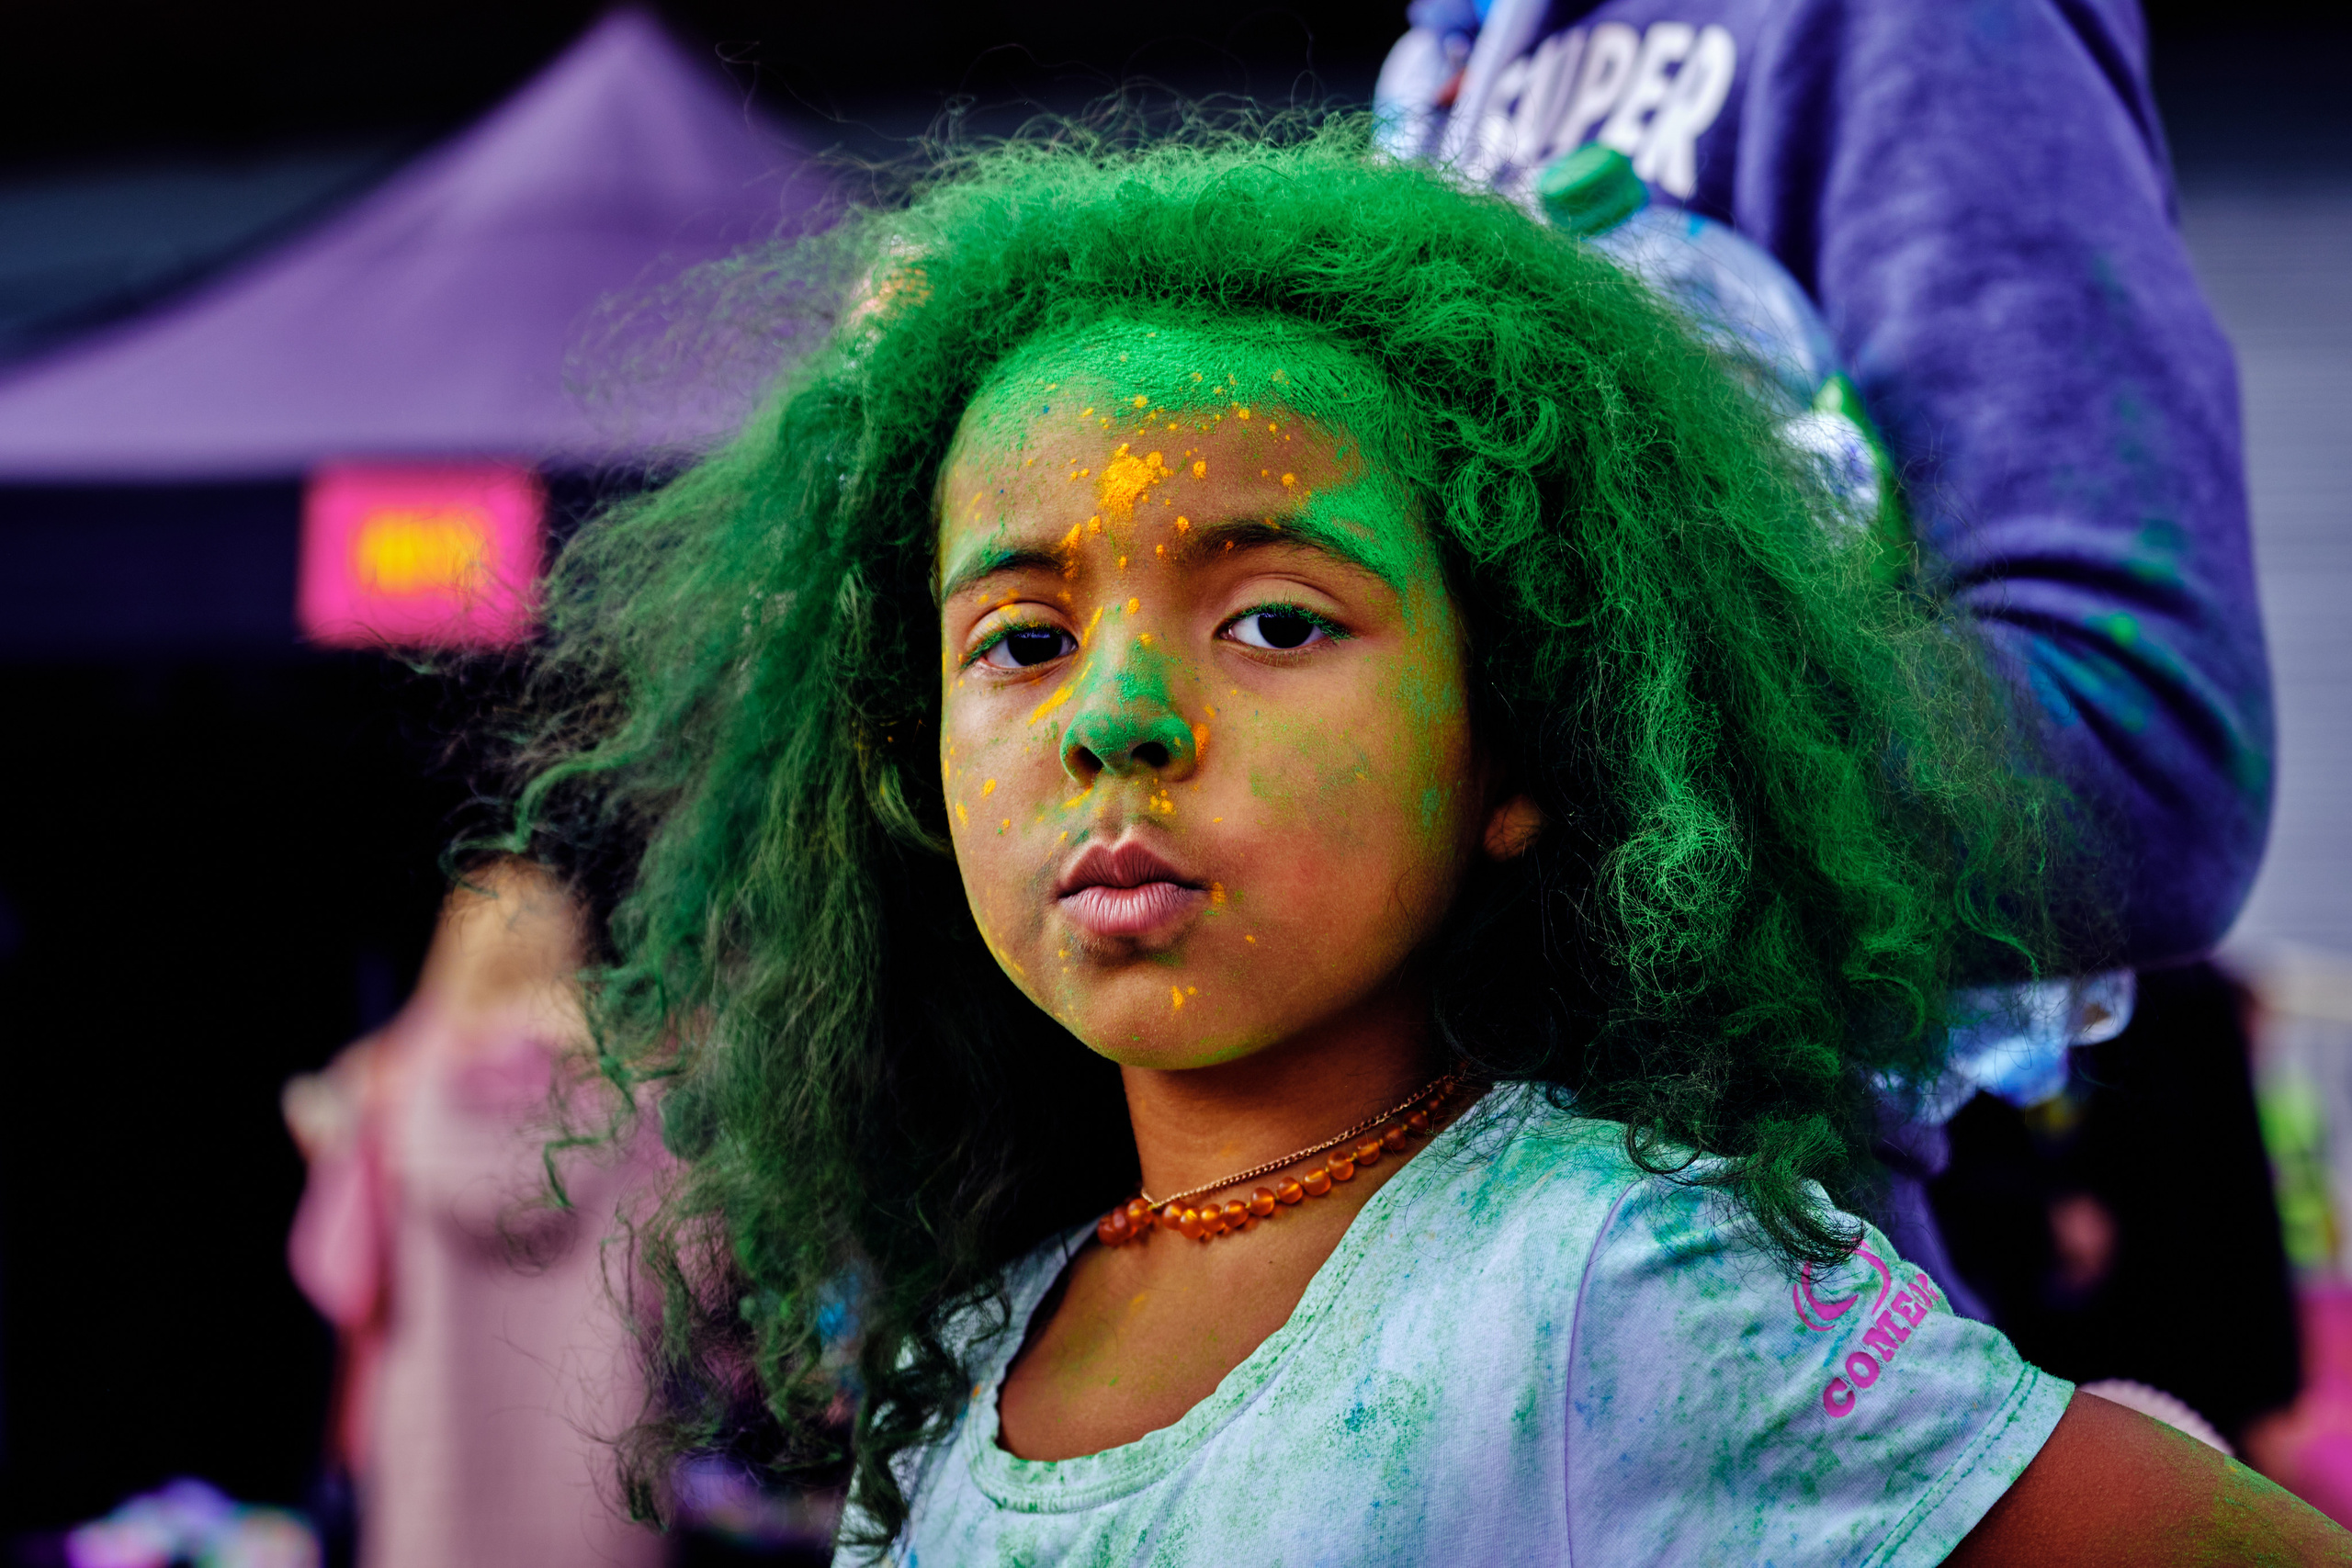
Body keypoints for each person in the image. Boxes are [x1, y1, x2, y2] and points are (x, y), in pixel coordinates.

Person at [502, 126, 2347, 1563]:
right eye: (1021, 638)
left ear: (1513, 746)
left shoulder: (1609, 1289)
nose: (1112, 720)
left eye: (1277, 620)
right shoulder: (950, 1380)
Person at [284, 858, 664, 1568]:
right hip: (595, 1508)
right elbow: (698, 1282)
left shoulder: (386, 1091)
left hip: (436, 1503)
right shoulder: (634, 1105)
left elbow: (337, 1276)